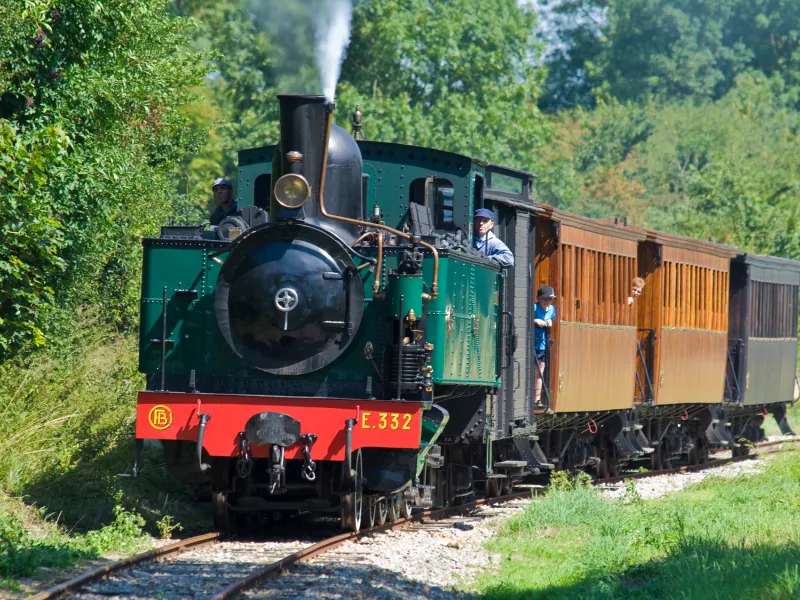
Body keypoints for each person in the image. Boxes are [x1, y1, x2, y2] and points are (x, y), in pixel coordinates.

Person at [533, 285, 557, 407]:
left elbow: (552, 319)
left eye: (550, 299)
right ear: (539, 298)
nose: (547, 302)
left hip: (542, 345)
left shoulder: (552, 310)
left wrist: (550, 322)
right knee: (533, 371)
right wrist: (535, 320)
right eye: (545, 299)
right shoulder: (534, 308)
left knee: (540, 372)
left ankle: (536, 399)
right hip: (532, 344)